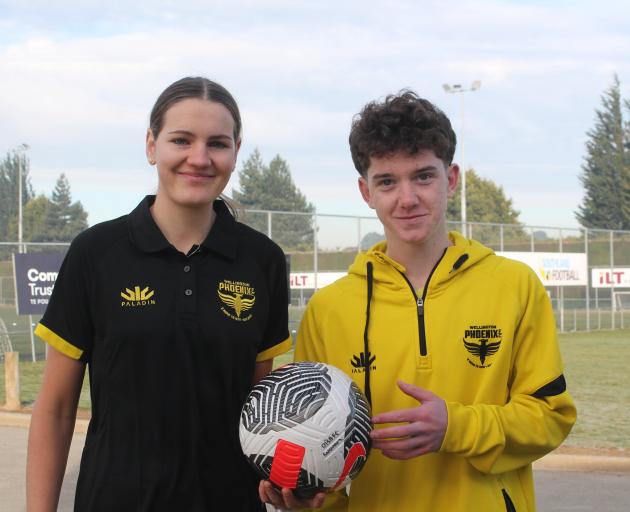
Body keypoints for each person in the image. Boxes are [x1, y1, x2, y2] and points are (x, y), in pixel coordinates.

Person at [265, 91, 577, 511]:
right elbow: (323, 447)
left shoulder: (514, 286)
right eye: (388, 181)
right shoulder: (329, 308)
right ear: (365, 191)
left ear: (451, 179)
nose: (407, 198)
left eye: (423, 176)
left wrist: (455, 426)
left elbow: (550, 416)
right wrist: (312, 501)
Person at [26, 76, 293, 512]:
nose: (199, 158)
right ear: (152, 146)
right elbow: (55, 410)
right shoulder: (96, 252)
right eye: (181, 140)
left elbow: (259, 410)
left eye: (218, 144)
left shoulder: (262, 259)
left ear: (236, 152)